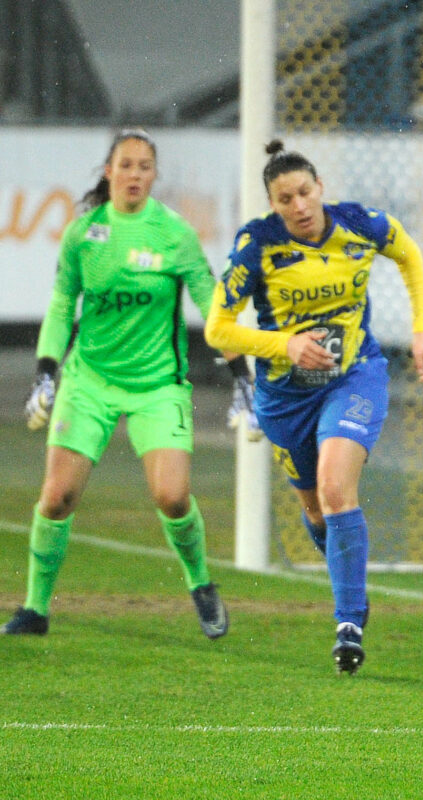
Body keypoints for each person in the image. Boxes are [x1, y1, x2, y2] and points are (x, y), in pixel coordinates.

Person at [1, 128, 259, 640]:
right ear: (108, 170)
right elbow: (60, 305)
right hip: (89, 380)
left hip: (157, 386)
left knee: (172, 497)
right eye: (126, 164)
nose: (135, 174)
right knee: (56, 498)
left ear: (154, 176)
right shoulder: (84, 234)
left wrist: (241, 375)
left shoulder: (175, 234)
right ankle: (34, 610)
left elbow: (212, 306)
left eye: (145, 166)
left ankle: (201, 583)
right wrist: (47, 372)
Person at [205, 139, 423, 673]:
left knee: (338, 491)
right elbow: (217, 327)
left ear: (321, 189)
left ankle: (349, 623)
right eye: (285, 198)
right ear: (274, 204)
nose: (299, 206)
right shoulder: (258, 245)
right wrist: (284, 345)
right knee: (315, 509)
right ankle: (346, 570)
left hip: (353, 378)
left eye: (305, 192)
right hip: (284, 397)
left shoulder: (360, 225)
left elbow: (408, 254)